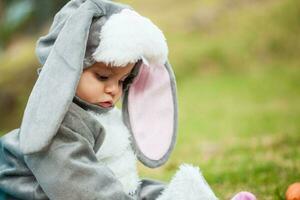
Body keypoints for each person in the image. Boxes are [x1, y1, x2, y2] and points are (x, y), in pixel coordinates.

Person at [0, 0, 219, 199]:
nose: (114, 90)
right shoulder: (57, 123)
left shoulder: (101, 112)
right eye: (102, 77)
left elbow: (121, 183)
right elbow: (80, 186)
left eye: (123, 80)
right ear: (70, 66)